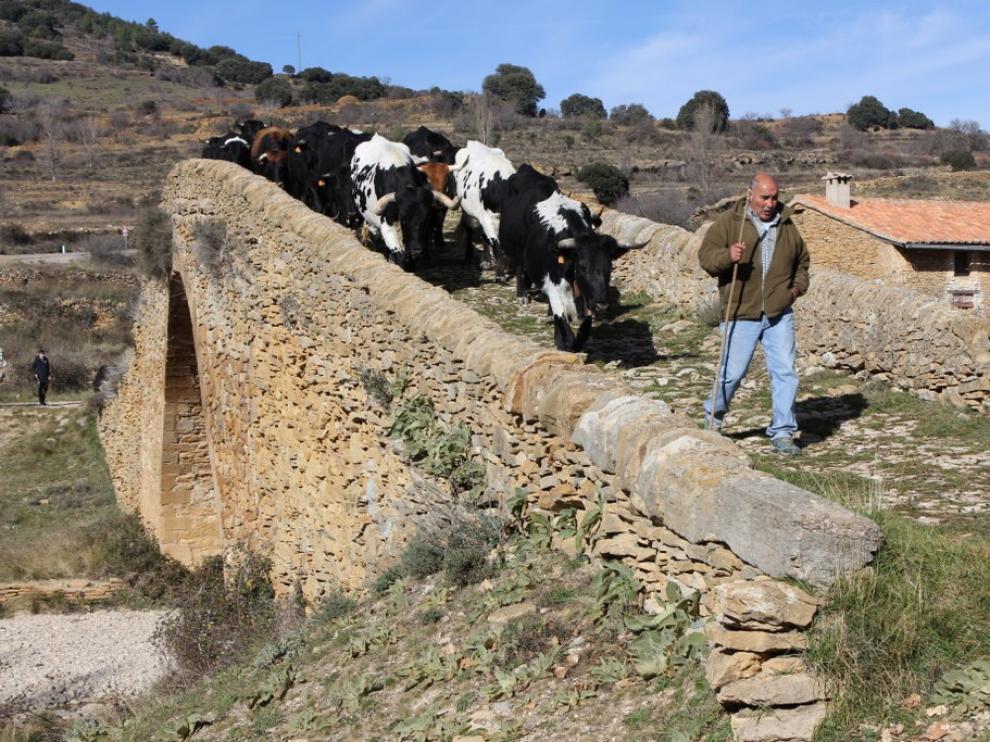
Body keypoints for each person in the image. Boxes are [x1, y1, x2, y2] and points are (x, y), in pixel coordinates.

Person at [698, 173, 810, 455]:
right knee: (732, 373)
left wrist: (795, 291)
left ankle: (783, 432)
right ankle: (712, 419)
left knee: (785, 372)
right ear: (750, 194)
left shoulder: (786, 225)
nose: (771, 203)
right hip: (741, 311)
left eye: (774, 197)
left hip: (778, 313)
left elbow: (803, 262)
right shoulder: (730, 224)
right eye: (765, 197)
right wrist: (728, 257)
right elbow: (706, 258)